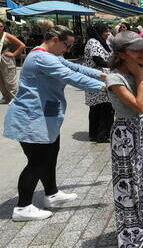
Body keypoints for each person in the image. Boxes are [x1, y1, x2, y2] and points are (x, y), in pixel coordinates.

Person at [4, 21, 105, 221]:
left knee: (50, 157)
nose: (67, 50)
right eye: (67, 45)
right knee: (37, 162)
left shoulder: (52, 56)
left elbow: (74, 67)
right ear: (55, 40)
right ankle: (22, 207)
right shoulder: (41, 57)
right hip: (31, 119)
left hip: (46, 117)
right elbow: (69, 76)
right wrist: (105, 86)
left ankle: (51, 194)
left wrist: (102, 74)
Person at [106, 30, 143, 248]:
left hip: (139, 131)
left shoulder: (138, 72)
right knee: (127, 186)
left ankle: (140, 228)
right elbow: (140, 107)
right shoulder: (115, 79)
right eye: (136, 50)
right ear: (122, 54)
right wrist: (139, 77)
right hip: (124, 134)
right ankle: (131, 237)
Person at [84, 23, 114, 143]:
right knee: (104, 107)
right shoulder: (93, 42)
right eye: (106, 31)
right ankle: (102, 134)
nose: (108, 33)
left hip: (99, 78)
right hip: (97, 79)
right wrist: (113, 65)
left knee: (98, 107)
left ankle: (96, 133)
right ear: (99, 31)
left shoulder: (99, 41)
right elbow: (98, 60)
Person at [0, 20, 26, 103]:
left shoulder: (7, 35)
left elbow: (22, 45)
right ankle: (6, 97)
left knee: (9, 80)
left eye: (1, 26)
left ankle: (14, 98)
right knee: (1, 81)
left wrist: (14, 54)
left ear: (3, 27)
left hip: (6, 59)